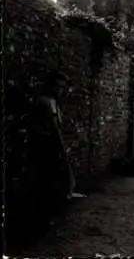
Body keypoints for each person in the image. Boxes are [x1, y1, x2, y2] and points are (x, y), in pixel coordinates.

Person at [28, 70, 76, 228]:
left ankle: (48, 216)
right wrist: (64, 154)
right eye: (57, 86)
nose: (59, 90)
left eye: (62, 87)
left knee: (51, 183)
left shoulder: (54, 102)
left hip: (50, 148)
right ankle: (42, 220)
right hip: (44, 148)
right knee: (45, 184)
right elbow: (55, 130)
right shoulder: (46, 102)